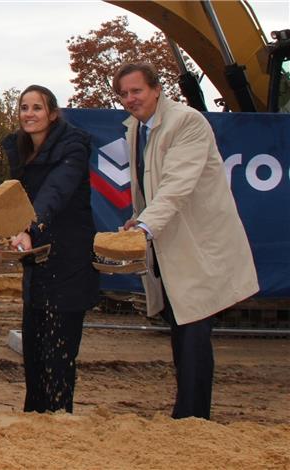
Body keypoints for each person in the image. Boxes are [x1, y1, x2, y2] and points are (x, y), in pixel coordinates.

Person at [113, 62, 259, 419]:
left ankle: (192, 417)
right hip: (169, 243)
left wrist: (145, 225)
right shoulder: (137, 129)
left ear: (156, 89)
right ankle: (187, 414)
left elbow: (178, 185)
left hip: (197, 245)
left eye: (137, 91)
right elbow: (150, 186)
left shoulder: (187, 122)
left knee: (193, 329)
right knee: (180, 327)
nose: (131, 99)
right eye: (124, 94)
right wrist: (139, 217)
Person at [0, 85, 99, 413]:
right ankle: (34, 418)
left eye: (37, 107)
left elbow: (55, 191)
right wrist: (12, 227)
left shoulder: (73, 147)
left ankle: (59, 417)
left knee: (59, 352)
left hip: (69, 260)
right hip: (37, 261)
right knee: (34, 348)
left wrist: (30, 227)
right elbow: (18, 199)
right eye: (24, 107)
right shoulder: (21, 149)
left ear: (53, 114)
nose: (29, 114)